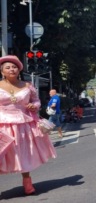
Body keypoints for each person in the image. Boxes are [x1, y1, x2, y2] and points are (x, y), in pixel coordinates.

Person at [0, 55, 56, 195]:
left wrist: (34, 106)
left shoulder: (27, 86)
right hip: (3, 124)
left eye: (15, 67)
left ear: (19, 70)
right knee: (2, 154)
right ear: (2, 71)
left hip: (23, 124)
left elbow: (37, 101)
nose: (12, 70)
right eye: (8, 67)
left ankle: (27, 182)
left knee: (23, 153)